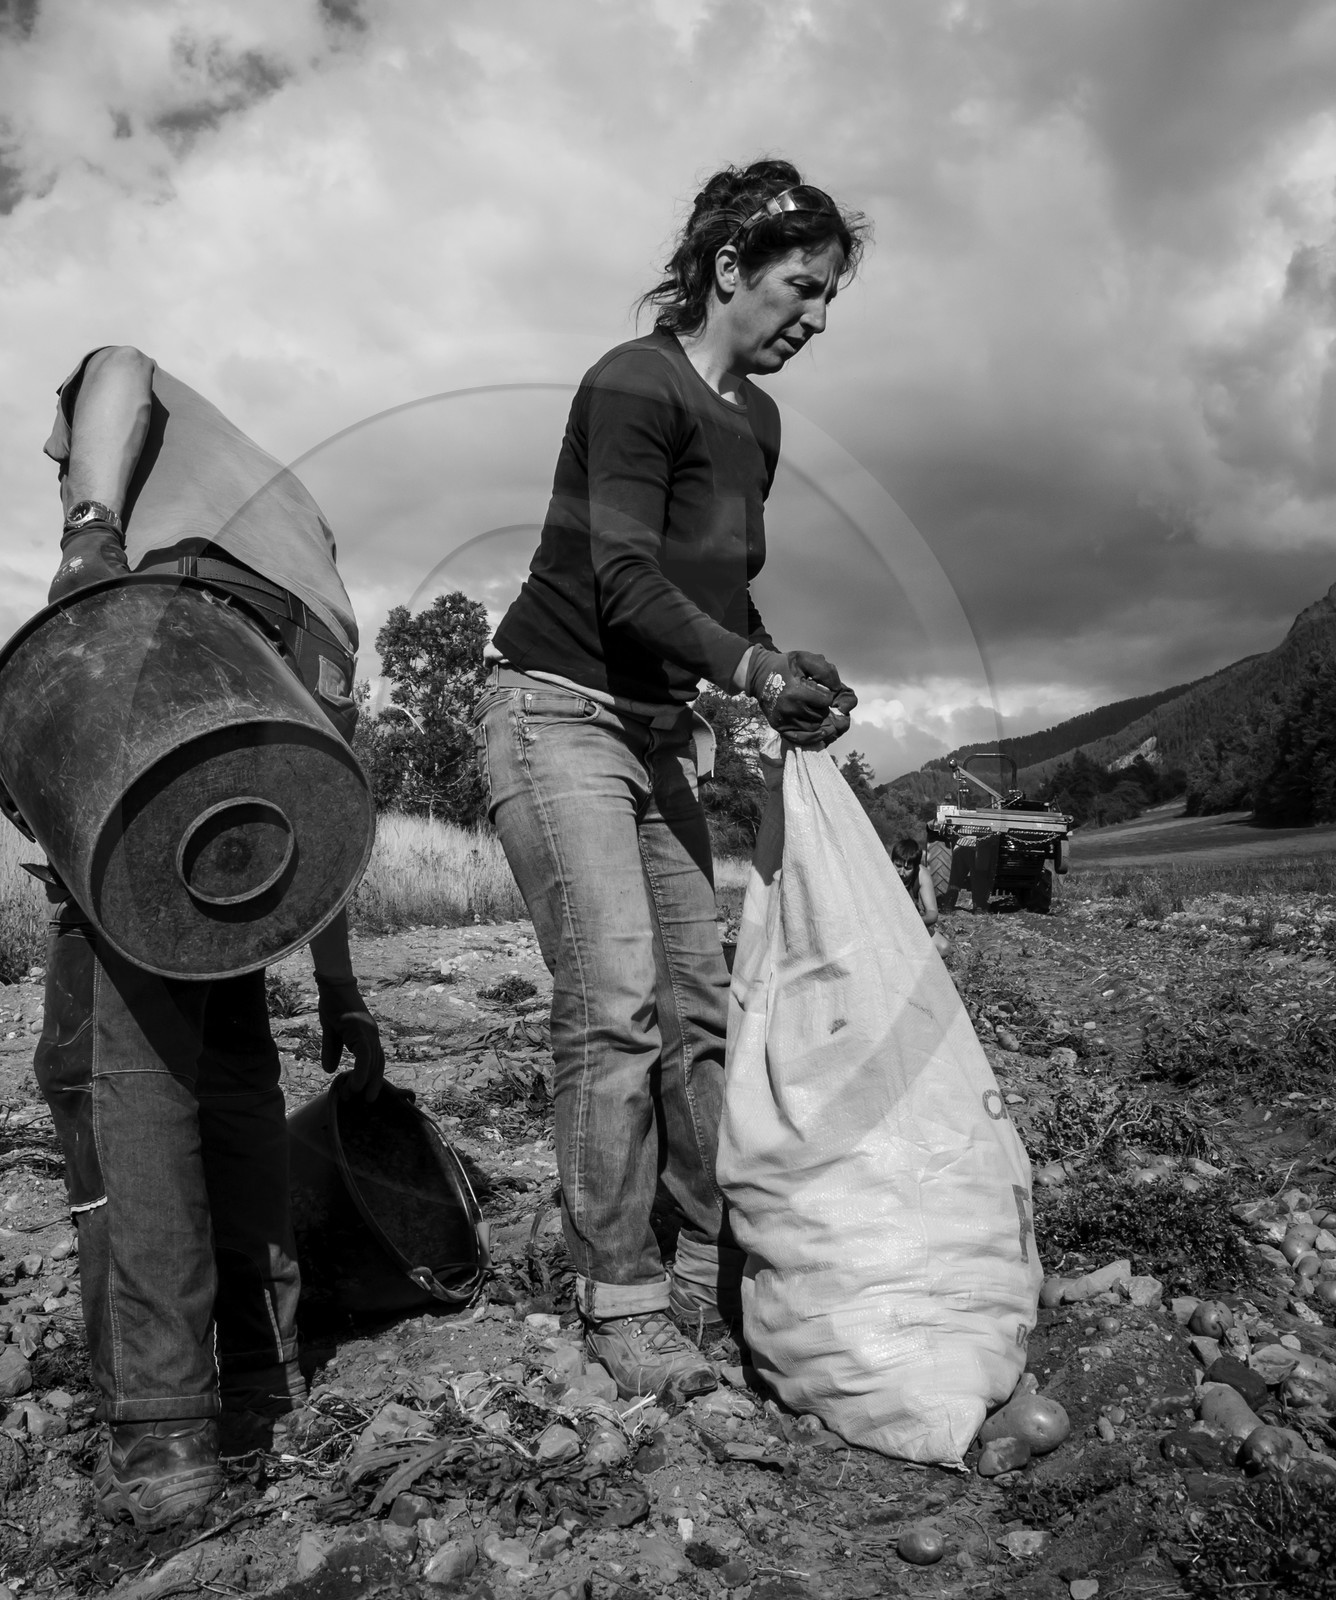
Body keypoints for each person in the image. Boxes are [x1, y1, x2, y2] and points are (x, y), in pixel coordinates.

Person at [475, 161, 866, 1400]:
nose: (812, 316)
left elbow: (711, 587)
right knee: (616, 1003)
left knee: (700, 1002)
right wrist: (745, 668)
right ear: (727, 268)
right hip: (554, 720)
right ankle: (616, 1287)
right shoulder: (630, 386)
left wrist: (775, 654)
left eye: (826, 300)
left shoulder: (757, 418)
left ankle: (712, 1250)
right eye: (800, 288)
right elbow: (623, 585)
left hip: (652, 735)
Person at [33, 345, 387, 1531]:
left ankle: (164, 1428)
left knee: (117, 1052)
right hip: (290, 682)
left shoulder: (130, 406)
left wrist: (89, 534)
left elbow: (120, 362)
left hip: (187, 640)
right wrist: (341, 989)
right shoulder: (289, 501)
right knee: (226, 1038)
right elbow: (330, 802)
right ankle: (261, 1370)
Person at [892, 837, 939, 929]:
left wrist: (916, 922)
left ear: (916, 867)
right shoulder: (881, 873)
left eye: (908, 868)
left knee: (944, 944)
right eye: (898, 866)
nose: (901, 873)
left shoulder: (922, 874)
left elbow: (932, 913)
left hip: (912, 924)